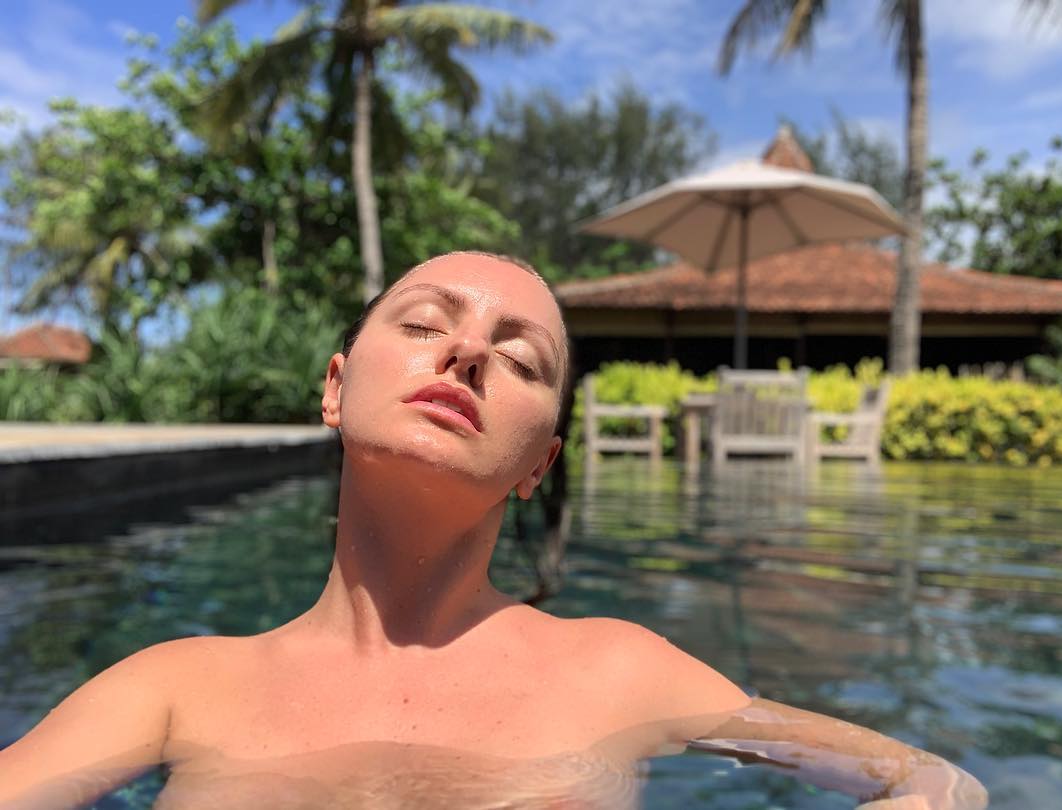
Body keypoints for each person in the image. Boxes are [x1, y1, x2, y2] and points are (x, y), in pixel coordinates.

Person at [0, 252, 986, 809]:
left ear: (537, 465)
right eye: (425, 323)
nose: (468, 349)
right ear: (335, 389)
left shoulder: (622, 671)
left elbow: (935, 785)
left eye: (520, 359)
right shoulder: (173, 687)